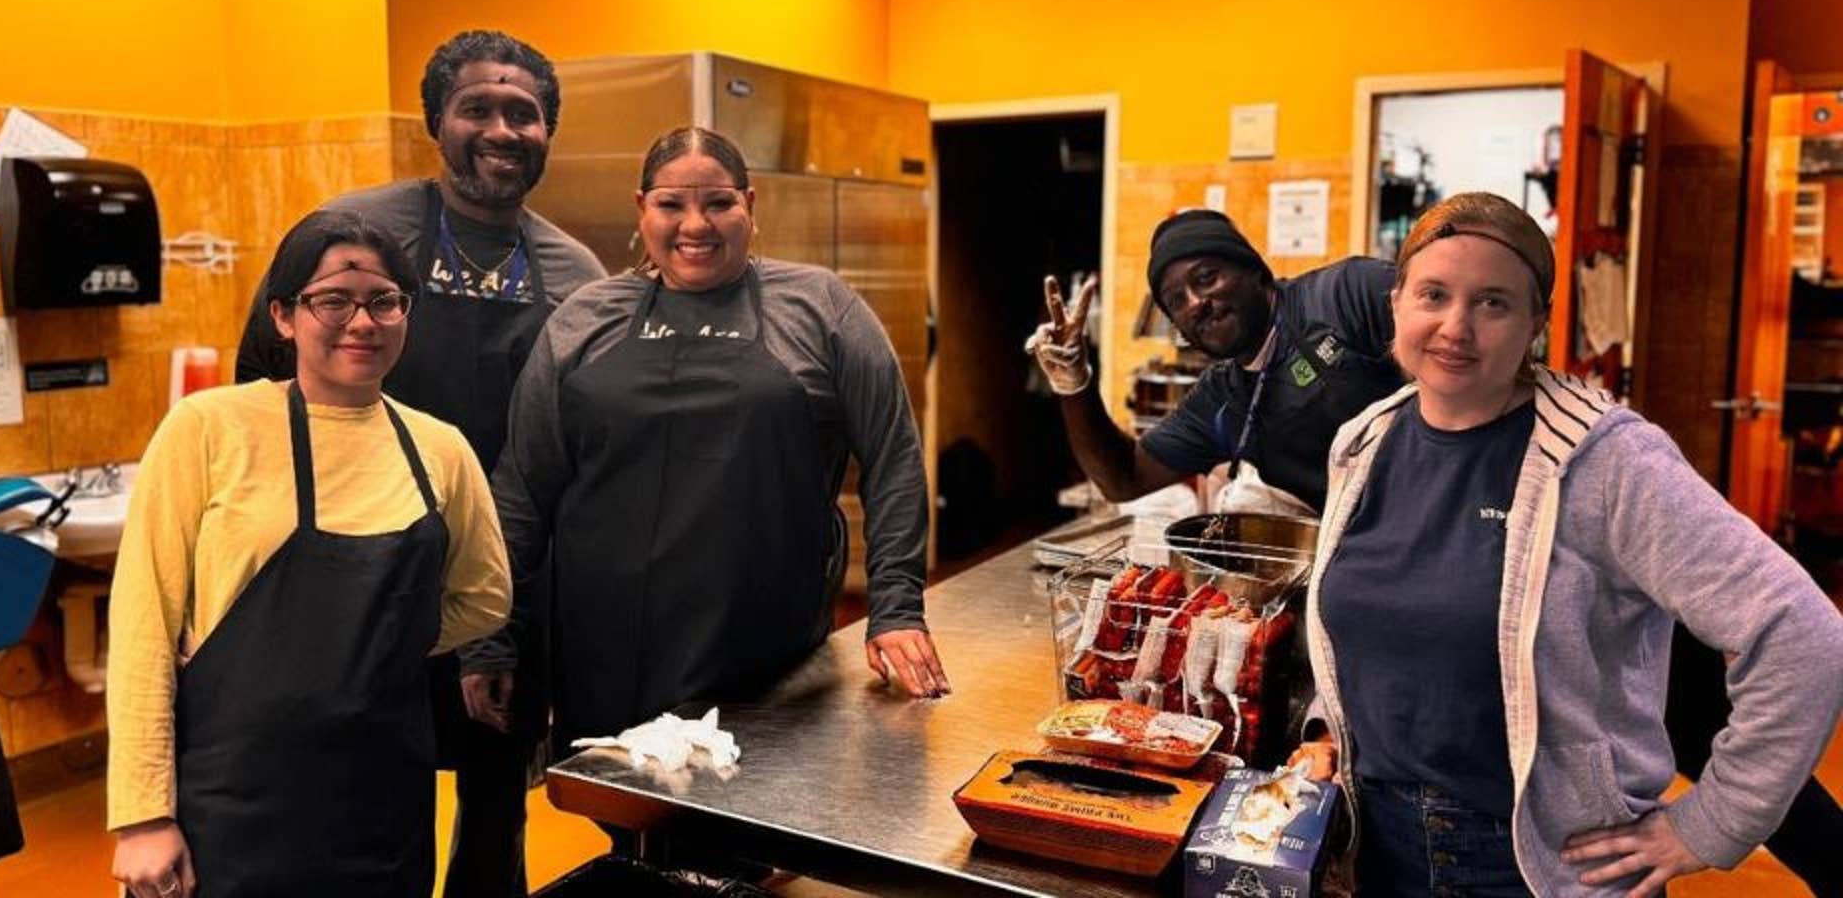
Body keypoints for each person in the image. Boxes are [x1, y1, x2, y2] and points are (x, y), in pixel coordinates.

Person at [1296, 192, 1843, 896]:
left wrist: (1710, 823)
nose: (1455, 327)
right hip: (1376, 846)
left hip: (1541, 865)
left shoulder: (1607, 461)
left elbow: (1803, 635)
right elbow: (1357, 614)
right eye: (1434, 294)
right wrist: (1327, 724)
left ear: (1536, 325)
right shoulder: (1364, 441)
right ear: (1397, 301)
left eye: (1493, 303)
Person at [235, 29, 604, 898]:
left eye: (525, 113)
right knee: (359, 789)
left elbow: (576, 455)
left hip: (504, 582)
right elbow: (260, 397)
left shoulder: (576, 274)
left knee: (495, 803)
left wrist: (514, 623)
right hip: (356, 573)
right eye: (478, 108)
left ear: (548, 130)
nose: (502, 130)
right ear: (438, 120)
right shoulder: (360, 233)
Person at [465, 125, 947, 754]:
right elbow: (523, 491)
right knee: (625, 819)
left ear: (750, 205)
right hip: (603, 648)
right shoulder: (585, 319)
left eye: (719, 203)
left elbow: (893, 462)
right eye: (671, 204)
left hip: (765, 655)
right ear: (642, 209)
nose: (696, 224)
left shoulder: (820, 308)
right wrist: (492, 635)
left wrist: (897, 607)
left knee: (749, 823)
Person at [108, 210, 510, 898]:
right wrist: (142, 816)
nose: (363, 321)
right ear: (284, 315)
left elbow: (485, 596)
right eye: (333, 300)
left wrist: (377, 641)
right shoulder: (208, 429)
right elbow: (144, 625)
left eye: (384, 301)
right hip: (231, 799)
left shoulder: (438, 449)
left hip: (382, 800)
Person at [1027, 208, 1403, 513]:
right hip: (1353, 560)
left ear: (1255, 270)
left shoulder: (1345, 294)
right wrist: (1074, 384)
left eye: (1206, 278)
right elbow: (1123, 478)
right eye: (1176, 300)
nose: (1194, 302)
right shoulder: (1220, 399)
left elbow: (1449, 331)